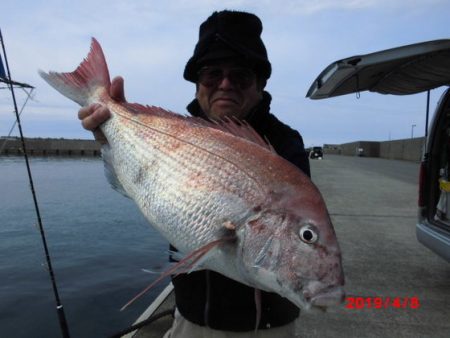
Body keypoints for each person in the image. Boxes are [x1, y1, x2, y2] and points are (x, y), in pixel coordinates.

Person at [79, 10, 310, 338]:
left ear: (260, 85)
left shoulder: (285, 143)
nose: (225, 84)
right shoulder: (171, 133)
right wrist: (113, 135)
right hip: (191, 322)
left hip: (270, 328)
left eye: (241, 76)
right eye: (212, 74)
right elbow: (138, 187)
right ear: (198, 84)